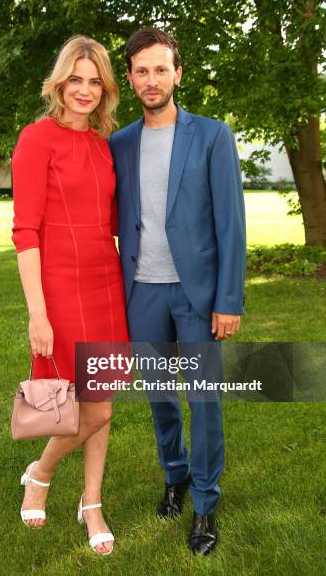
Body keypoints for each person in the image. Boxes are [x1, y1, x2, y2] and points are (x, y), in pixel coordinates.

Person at [109, 28, 246, 556]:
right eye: (141, 71)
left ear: (177, 74)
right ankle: (176, 476)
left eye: (160, 69)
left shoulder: (212, 135)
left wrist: (228, 300)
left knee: (204, 400)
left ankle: (206, 503)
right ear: (130, 78)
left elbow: (230, 224)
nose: (151, 79)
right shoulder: (119, 143)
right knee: (160, 397)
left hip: (197, 295)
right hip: (142, 292)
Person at [11, 35, 129, 555]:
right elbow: (26, 232)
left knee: (101, 403)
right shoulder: (37, 139)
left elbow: (114, 222)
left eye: (95, 81)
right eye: (75, 79)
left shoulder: (105, 145)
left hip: (106, 284)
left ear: (105, 88)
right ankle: (40, 473)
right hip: (59, 287)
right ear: (60, 83)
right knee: (84, 406)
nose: (85, 90)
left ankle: (92, 502)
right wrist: (38, 312)